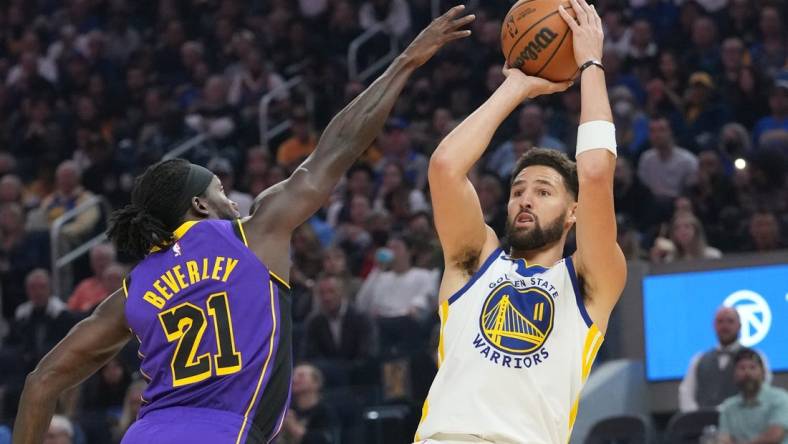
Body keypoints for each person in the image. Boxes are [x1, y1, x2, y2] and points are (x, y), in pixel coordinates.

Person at [13, 8, 476, 444]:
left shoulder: (134, 288)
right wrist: (405, 62)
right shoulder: (254, 234)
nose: (230, 198)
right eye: (219, 188)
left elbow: (40, 383)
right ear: (199, 203)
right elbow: (339, 147)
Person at [414, 0, 627, 441]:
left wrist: (589, 62)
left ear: (574, 212)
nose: (525, 200)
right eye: (517, 191)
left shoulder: (591, 283)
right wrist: (517, 86)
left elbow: (594, 172)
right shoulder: (474, 262)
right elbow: (445, 168)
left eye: (544, 192)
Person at [679, 307, 772, 412]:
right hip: (703, 423)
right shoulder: (699, 359)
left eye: (730, 321)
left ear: (740, 325)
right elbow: (686, 393)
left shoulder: (756, 357)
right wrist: (696, 417)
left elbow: (763, 390)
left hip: (742, 422)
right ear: (714, 326)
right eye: (720, 321)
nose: (725, 326)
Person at [718, 348, 788, 444]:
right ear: (734, 375)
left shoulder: (780, 399)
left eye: (752, 367)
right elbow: (724, 440)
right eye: (742, 368)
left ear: (763, 373)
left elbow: (774, 437)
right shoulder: (728, 407)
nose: (747, 373)